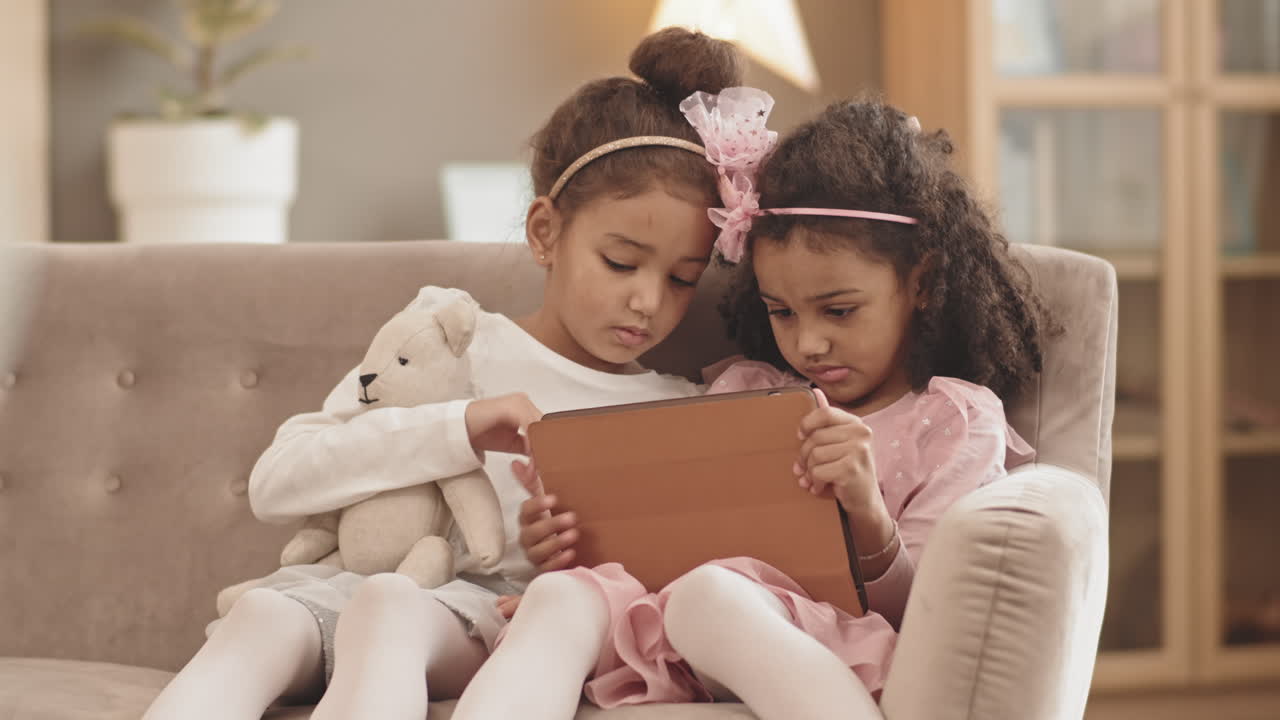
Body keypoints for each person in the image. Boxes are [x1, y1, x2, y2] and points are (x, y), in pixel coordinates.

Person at [140, 27, 749, 720]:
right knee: (261, 614)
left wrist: (570, 556)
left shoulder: (675, 406)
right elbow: (278, 482)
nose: (648, 299)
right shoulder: (449, 343)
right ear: (545, 232)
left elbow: (671, 576)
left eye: (682, 279)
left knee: (392, 607)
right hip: (340, 590)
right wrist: (459, 425)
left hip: (472, 616)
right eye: (620, 262)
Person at [462, 97, 1052, 720]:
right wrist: (563, 545)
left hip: (808, 635)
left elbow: (926, 611)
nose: (808, 343)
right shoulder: (744, 390)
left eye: (840, 310)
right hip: (671, 626)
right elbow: (662, 532)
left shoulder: (951, 422)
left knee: (707, 595)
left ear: (922, 285)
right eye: (782, 312)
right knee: (562, 595)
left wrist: (868, 512)